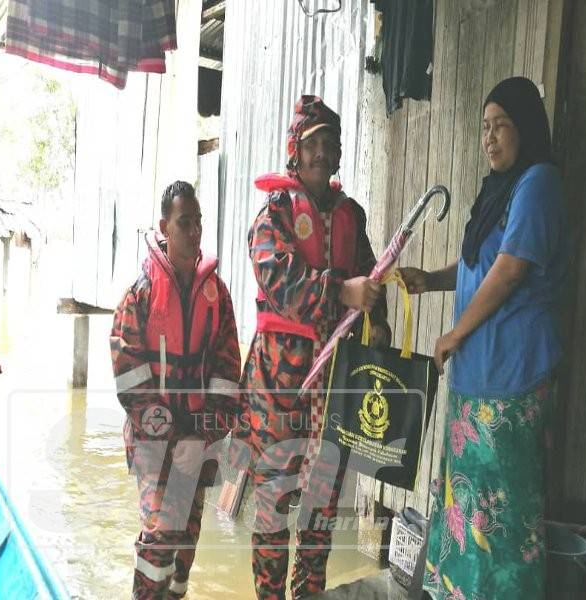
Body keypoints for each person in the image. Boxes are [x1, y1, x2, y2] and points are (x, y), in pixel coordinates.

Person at [399, 77, 568, 598]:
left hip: (511, 376)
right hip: (478, 377)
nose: (490, 138)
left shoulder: (537, 182)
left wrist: (453, 333)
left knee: (503, 513)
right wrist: (432, 279)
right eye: (484, 128)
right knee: (468, 507)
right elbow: (480, 263)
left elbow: (511, 270)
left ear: (526, 128)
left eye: (501, 126)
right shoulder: (500, 188)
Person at [242, 95, 390, 599]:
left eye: (332, 143)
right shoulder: (273, 216)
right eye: (314, 144)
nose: (324, 153)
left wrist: (378, 321)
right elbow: (277, 277)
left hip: (335, 384)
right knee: (273, 502)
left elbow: (372, 278)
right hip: (278, 384)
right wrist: (339, 291)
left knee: (323, 504)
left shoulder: (352, 215)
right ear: (295, 152)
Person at [110, 181, 241, 600]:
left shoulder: (216, 296)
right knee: (161, 530)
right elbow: (129, 380)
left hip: (198, 438)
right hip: (154, 440)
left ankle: (176, 593)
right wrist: (172, 435)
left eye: (199, 221)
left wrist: (203, 436)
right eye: (186, 222)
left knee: (187, 535)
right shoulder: (140, 295)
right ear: (165, 227)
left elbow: (227, 375)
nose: (195, 230)